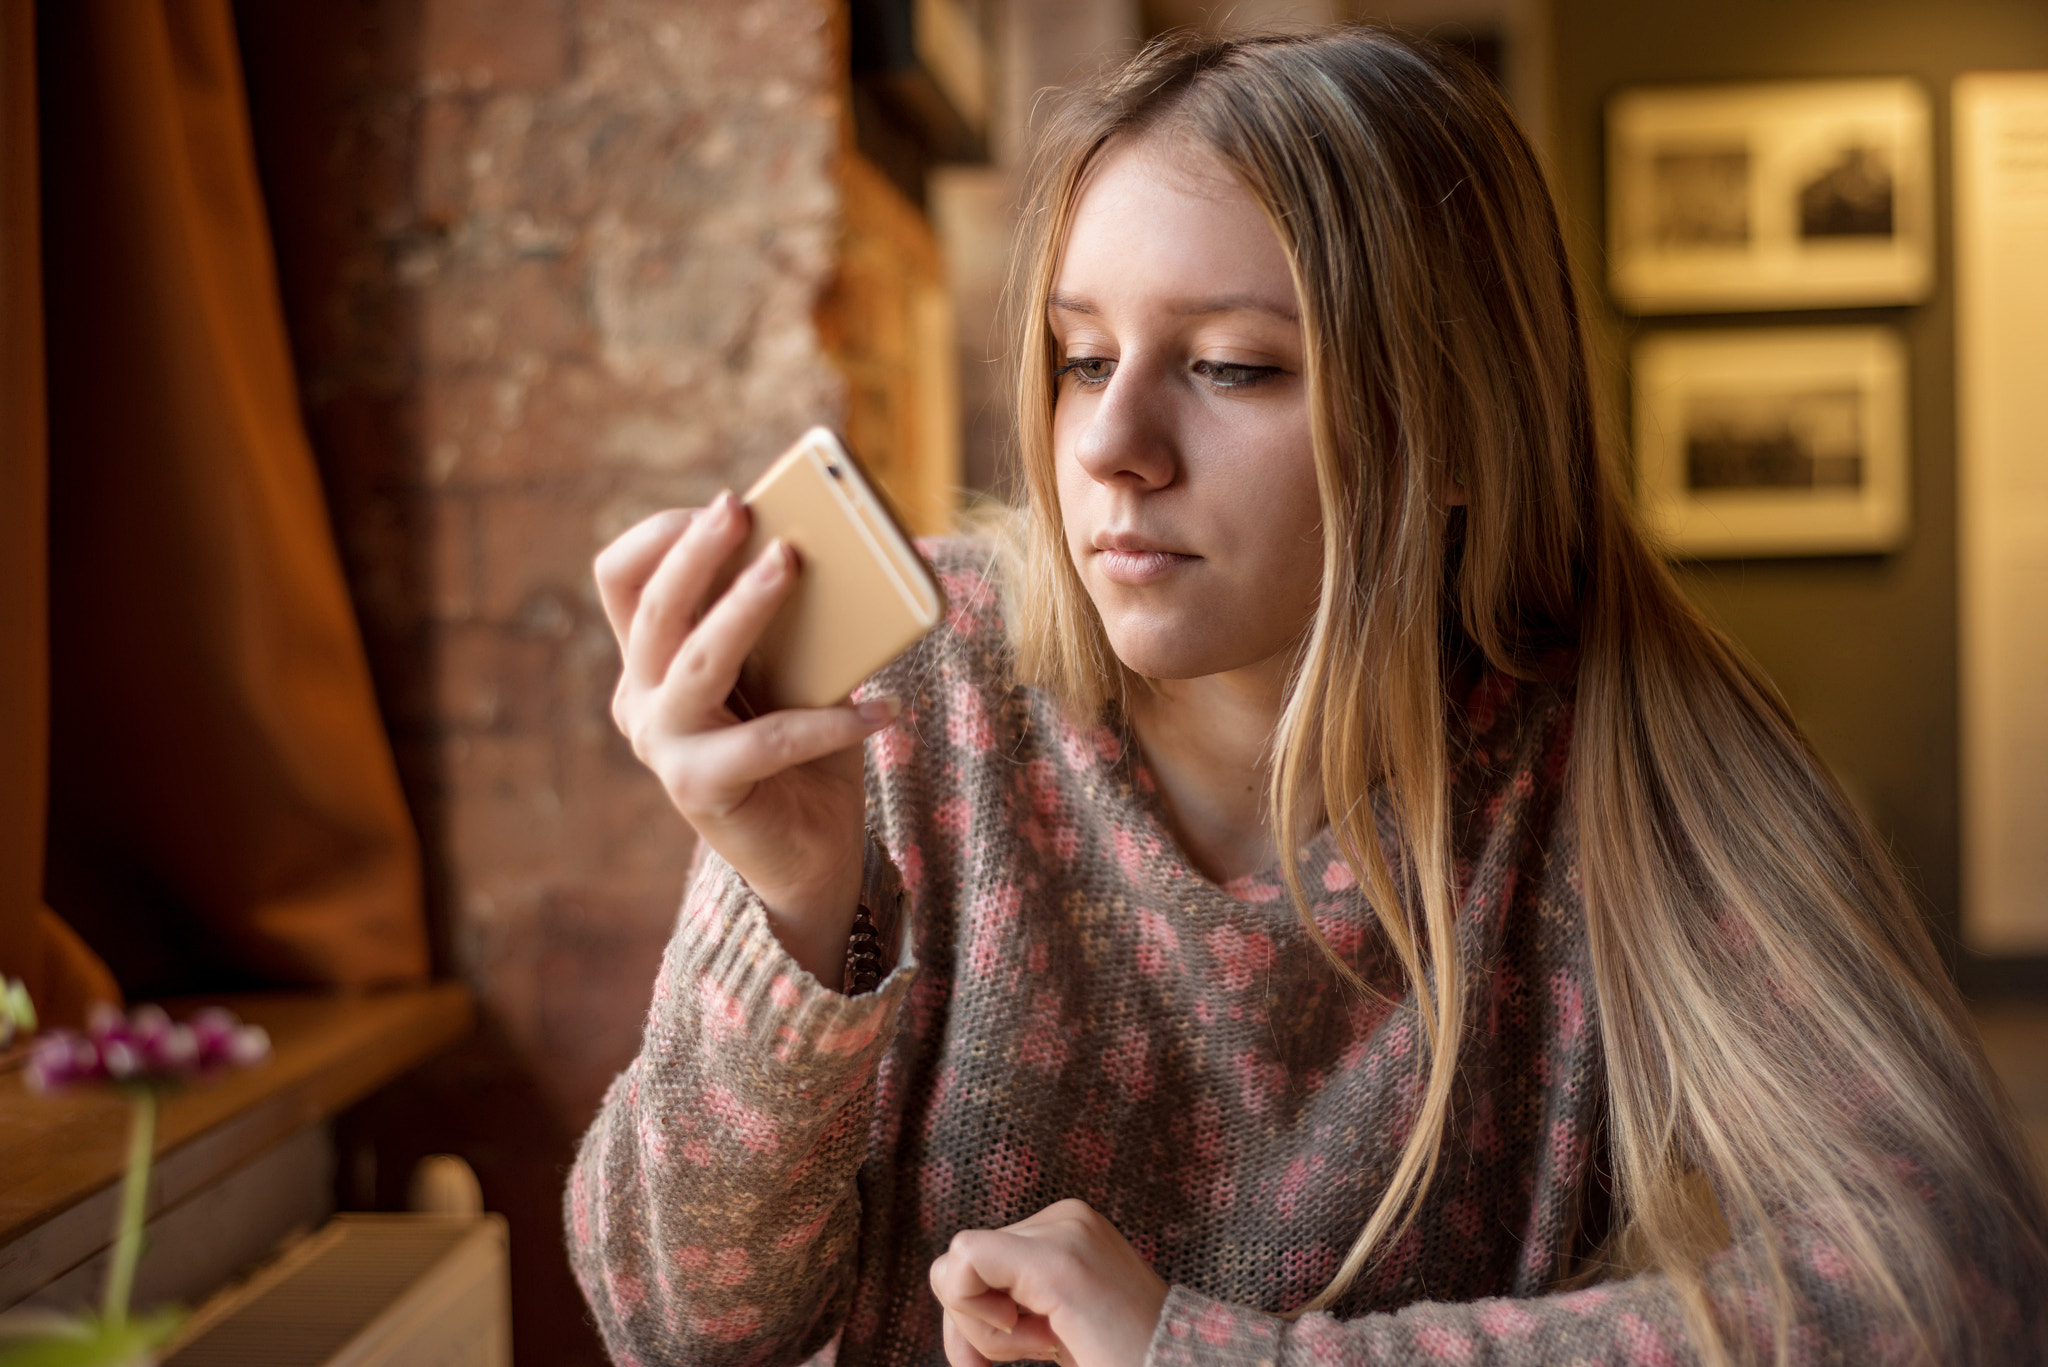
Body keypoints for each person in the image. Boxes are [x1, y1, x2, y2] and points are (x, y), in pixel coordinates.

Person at [565, 27, 2048, 1367]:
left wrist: (1205, 1361)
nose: (1114, 446)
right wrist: (792, 911)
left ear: (1458, 429)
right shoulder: (920, 691)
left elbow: (1946, 1288)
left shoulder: (1632, 756)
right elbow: (672, 1324)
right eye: (1083, 358)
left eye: (1232, 367)